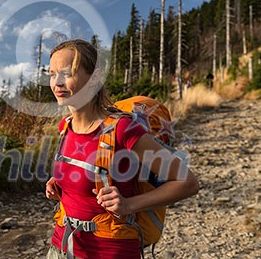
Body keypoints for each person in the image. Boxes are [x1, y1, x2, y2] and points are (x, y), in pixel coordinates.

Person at [45, 39, 199, 259]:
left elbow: (188, 182)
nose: (57, 83)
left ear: (95, 78)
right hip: (62, 246)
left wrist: (128, 205)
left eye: (66, 73)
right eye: (52, 74)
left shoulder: (122, 129)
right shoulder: (65, 127)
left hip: (111, 250)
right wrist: (61, 185)